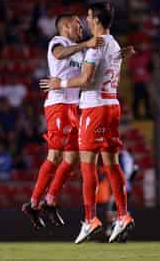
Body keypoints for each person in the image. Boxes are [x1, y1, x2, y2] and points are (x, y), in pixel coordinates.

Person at [40, 3, 135, 244]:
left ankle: (90, 219)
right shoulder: (112, 43)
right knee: (112, 164)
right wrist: (123, 54)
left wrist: (58, 84)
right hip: (113, 105)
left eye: (88, 17)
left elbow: (85, 79)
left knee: (87, 165)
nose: (85, 20)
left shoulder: (95, 45)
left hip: (95, 108)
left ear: (95, 19)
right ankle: (123, 215)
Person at [22, 13, 105, 229]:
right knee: (56, 154)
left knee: (72, 157)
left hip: (73, 106)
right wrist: (86, 44)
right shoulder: (58, 42)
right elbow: (59, 55)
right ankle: (33, 203)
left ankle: (50, 201)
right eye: (78, 24)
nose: (81, 28)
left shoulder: (79, 50)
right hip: (58, 105)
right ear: (67, 25)